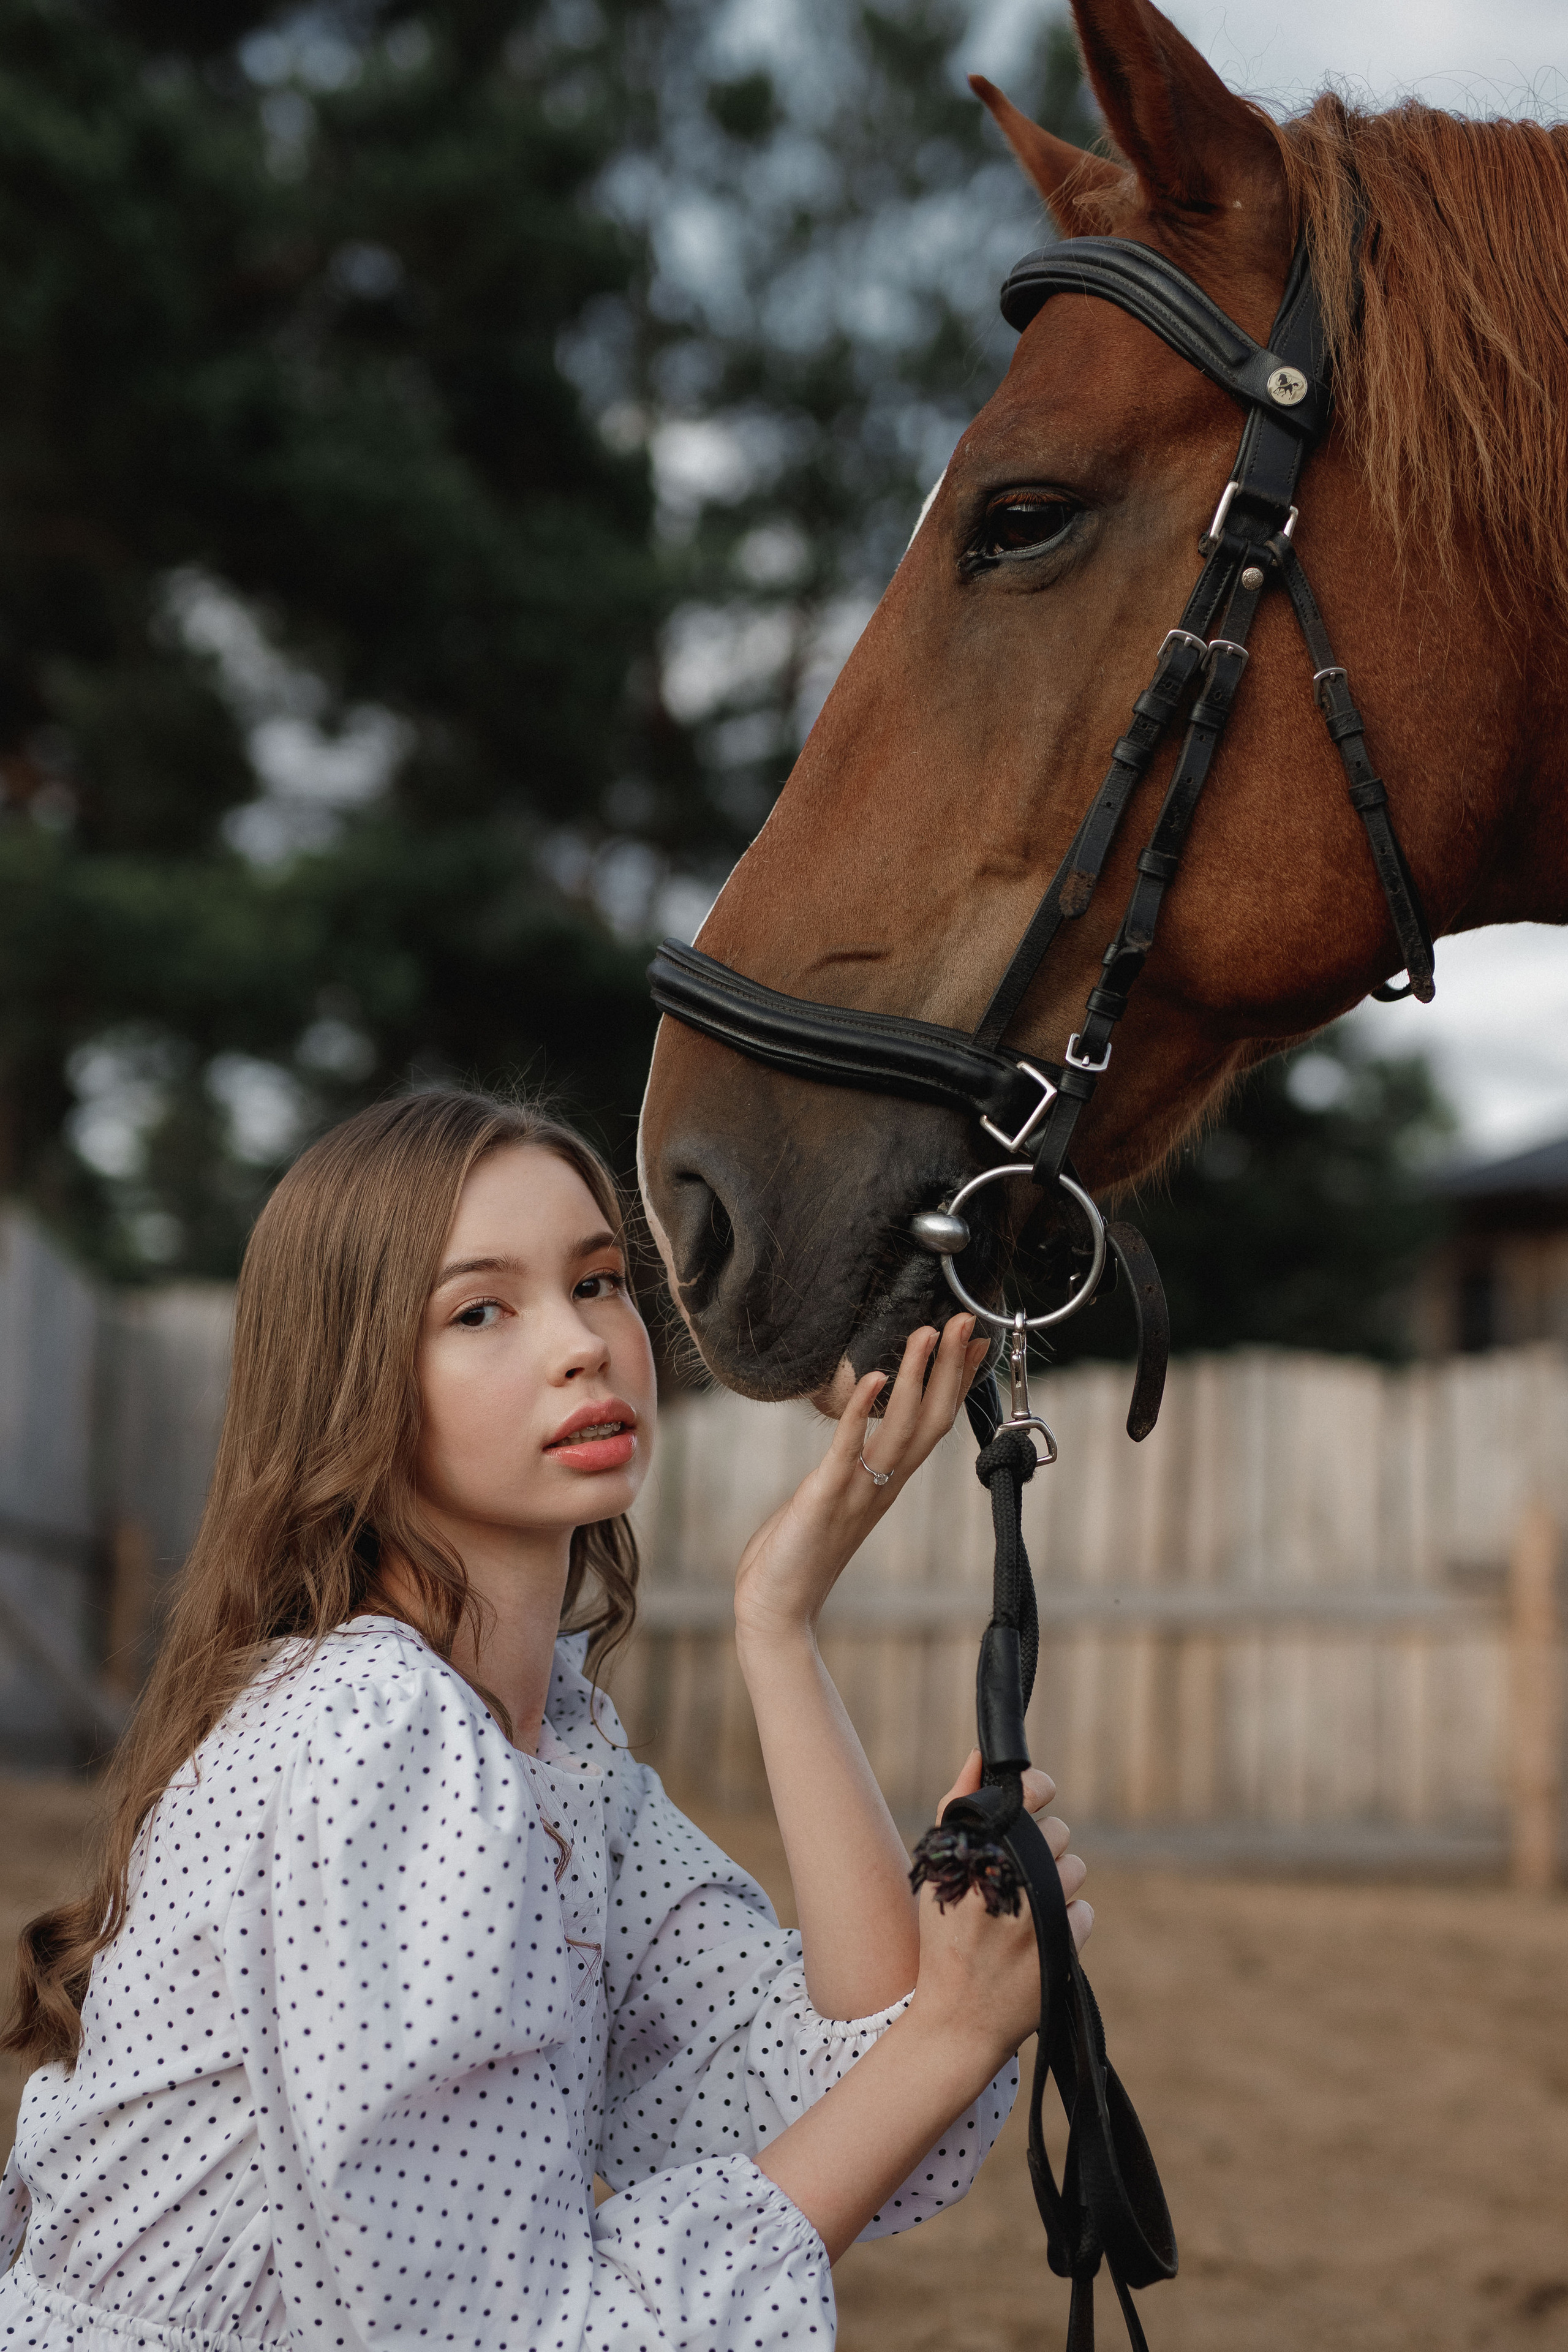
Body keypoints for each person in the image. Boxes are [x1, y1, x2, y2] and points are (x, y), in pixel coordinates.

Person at [0, 1089, 1090, 2352]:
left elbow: (835, 2089)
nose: (580, 1343)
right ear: (355, 1379)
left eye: (597, 1282)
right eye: (480, 1311)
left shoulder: (549, 1750)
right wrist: (952, 2034)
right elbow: (488, 2334)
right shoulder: (375, 1732)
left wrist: (778, 1624)